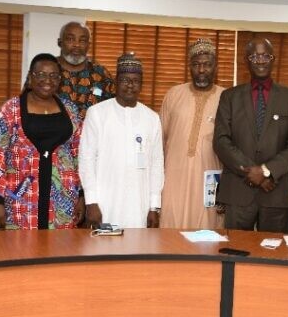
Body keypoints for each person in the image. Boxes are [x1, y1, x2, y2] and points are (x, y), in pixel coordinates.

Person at [213, 38, 288, 233]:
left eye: (266, 56)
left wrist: (266, 171)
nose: (261, 60)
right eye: (255, 56)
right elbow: (221, 141)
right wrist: (250, 172)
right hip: (238, 191)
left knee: (272, 256)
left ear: (273, 60)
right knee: (235, 253)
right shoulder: (229, 97)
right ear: (247, 60)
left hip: (276, 192)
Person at [0, 53, 84, 230]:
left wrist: (81, 195)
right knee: (19, 251)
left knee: (61, 251)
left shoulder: (70, 109)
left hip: (62, 198)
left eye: (54, 75)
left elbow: (78, 154)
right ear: (30, 76)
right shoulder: (12, 108)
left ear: (60, 80)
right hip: (19, 197)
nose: (48, 80)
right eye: (41, 74)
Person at [79, 53, 163, 229]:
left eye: (135, 80)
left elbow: (157, 164)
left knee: (137, 252)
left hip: (139, 205)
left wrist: (154, 206)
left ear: (141, 84)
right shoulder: (97, 113)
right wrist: (91, 201)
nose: (130, 85)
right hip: (104, 204)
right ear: (116, 82)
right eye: (125, 80)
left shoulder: (152, 118)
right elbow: (86, 160)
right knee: (104, 252)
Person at [159, 38, 225, 230]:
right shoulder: (173, 94)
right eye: (196, 65)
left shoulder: (227, 98)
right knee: (170, 232)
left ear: (216, 67)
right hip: (172, 180)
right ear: (189, 66)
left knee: (206, 235)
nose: (202, 70)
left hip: (210, 182)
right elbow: (159, 142)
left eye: (207, 65)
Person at [56, 21, 115, 118]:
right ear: (60, 42)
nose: (77, 45)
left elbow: (113, 107)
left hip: (91, 132)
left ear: (89, 45)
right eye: (70, 39)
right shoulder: (47, 70)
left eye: (82, 41)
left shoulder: (101, 73)